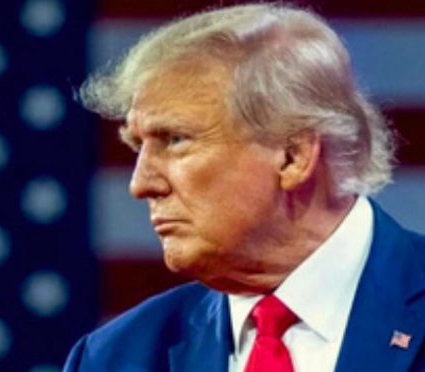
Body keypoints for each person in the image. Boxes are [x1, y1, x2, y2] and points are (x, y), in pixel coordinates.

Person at [63, 3, 425, 372]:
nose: (141, 185)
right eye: (138, 147)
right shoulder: (112, 357)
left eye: (174, 139)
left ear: (292, 156)